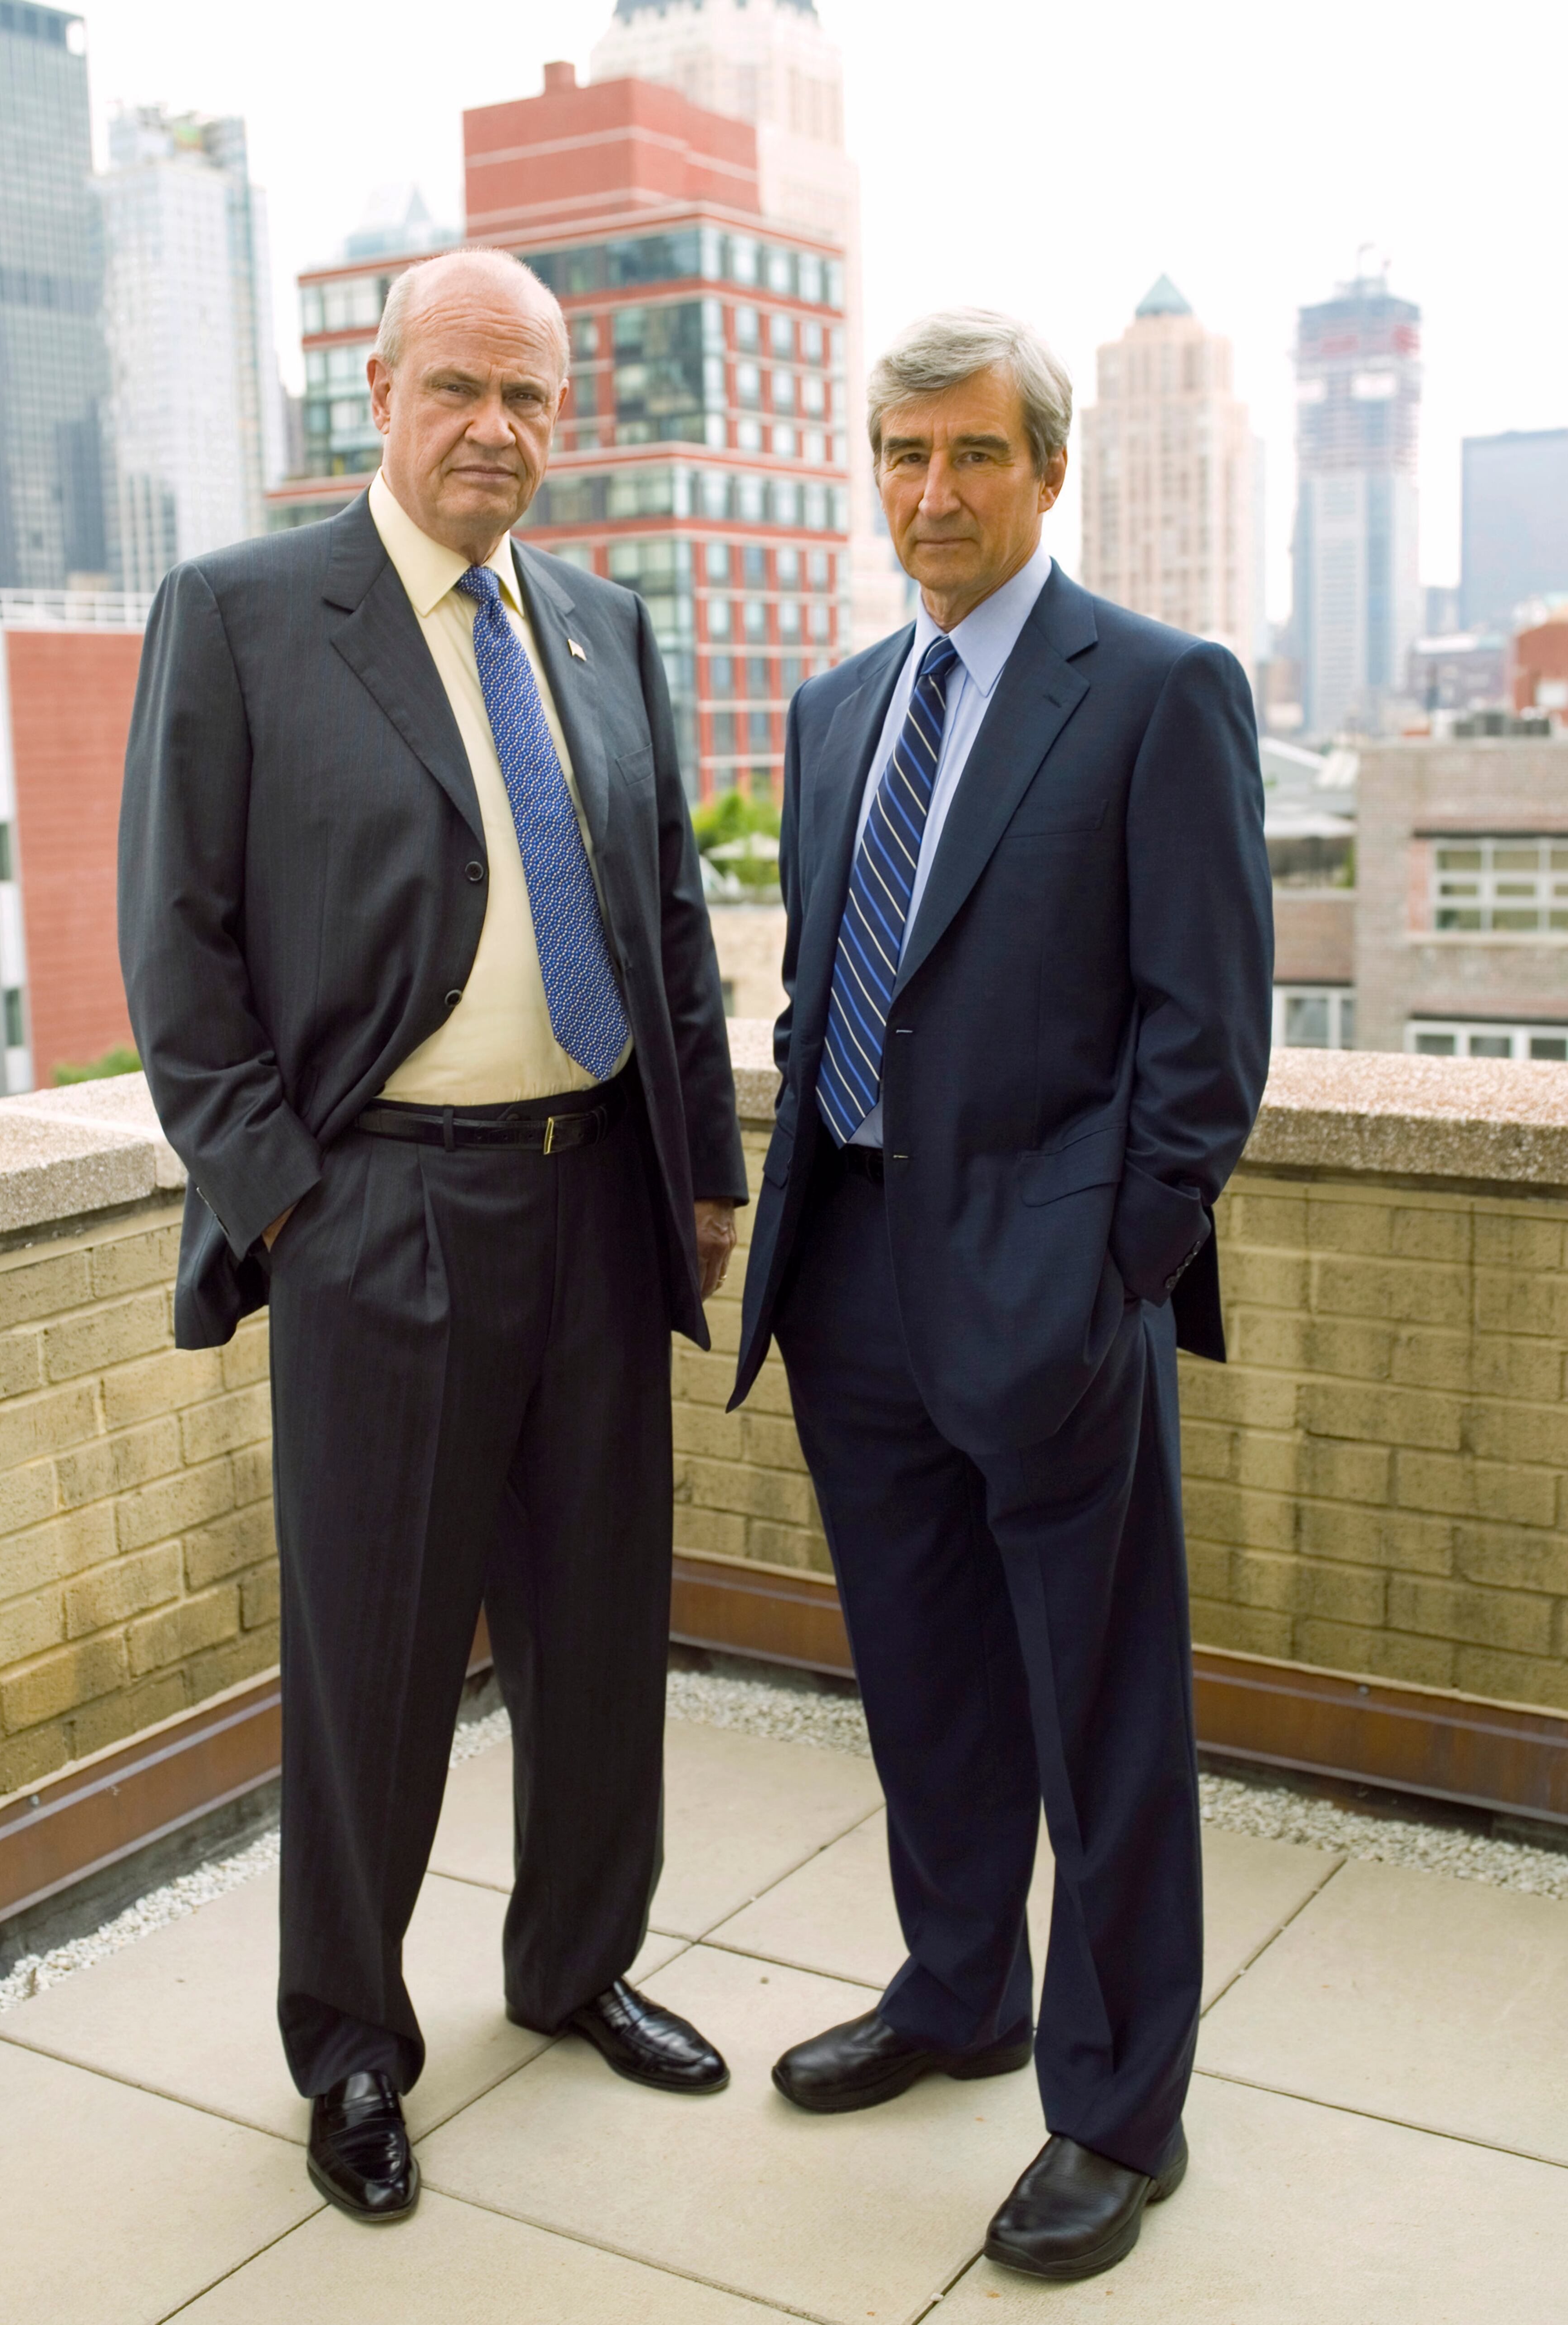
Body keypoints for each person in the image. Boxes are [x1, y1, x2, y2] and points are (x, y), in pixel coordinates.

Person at [118, 246, 746, 2223]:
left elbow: (665, 916)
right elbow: (177, 946)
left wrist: (705, 1169)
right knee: (375, 1667)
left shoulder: (603, 626)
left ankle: (576, 1968)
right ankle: (352, 2048)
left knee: (600, 1634)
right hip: (379, 1210)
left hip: (599, 1197)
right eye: (459, 387)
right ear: (378, 392)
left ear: (566, 418)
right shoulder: (243, 615)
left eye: (530, 397)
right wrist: (289, 1200)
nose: (495, 427)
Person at [732, 308, 1272, 2282]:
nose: (934, 490)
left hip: (1051, 1300)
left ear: (1051, 469)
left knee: (1100, 1714)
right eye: (904, 452)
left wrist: (1109, 1273)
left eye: (973, 452)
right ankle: (959, 1989)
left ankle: (1120, 2109)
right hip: (851, 1277)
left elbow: (1206, 1039)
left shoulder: (1158, 691)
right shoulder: (836, 711)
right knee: (926, 1682)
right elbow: (825, 991)